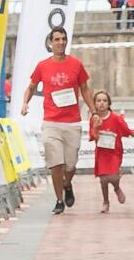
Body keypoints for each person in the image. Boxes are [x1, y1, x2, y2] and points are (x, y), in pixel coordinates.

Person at [17, 28, 91, 214]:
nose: (60, 42)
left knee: (70, 165)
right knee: (56, 164)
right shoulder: (43, 66)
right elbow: (31, 87)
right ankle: (59, 200)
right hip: (51, 122)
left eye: (63, 39)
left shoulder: (76, 64)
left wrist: (93, 109)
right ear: (50, 43)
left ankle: (67, 184)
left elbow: (85, 88)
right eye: (57, 39)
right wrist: (25, 103)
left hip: (72, 122)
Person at [87, 91, 134, 211]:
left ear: (109, 103)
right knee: (104, 179)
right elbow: (92, 136)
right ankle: (105, 202)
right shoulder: (93, 119)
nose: (101, 103)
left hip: (114, 152)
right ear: (94, 104)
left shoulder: (116, 118)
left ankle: (117, 187)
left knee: (114, 177)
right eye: (98, 101)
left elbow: (128, 131)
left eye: (104, 101)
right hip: (101, 153)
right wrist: (96, 127)